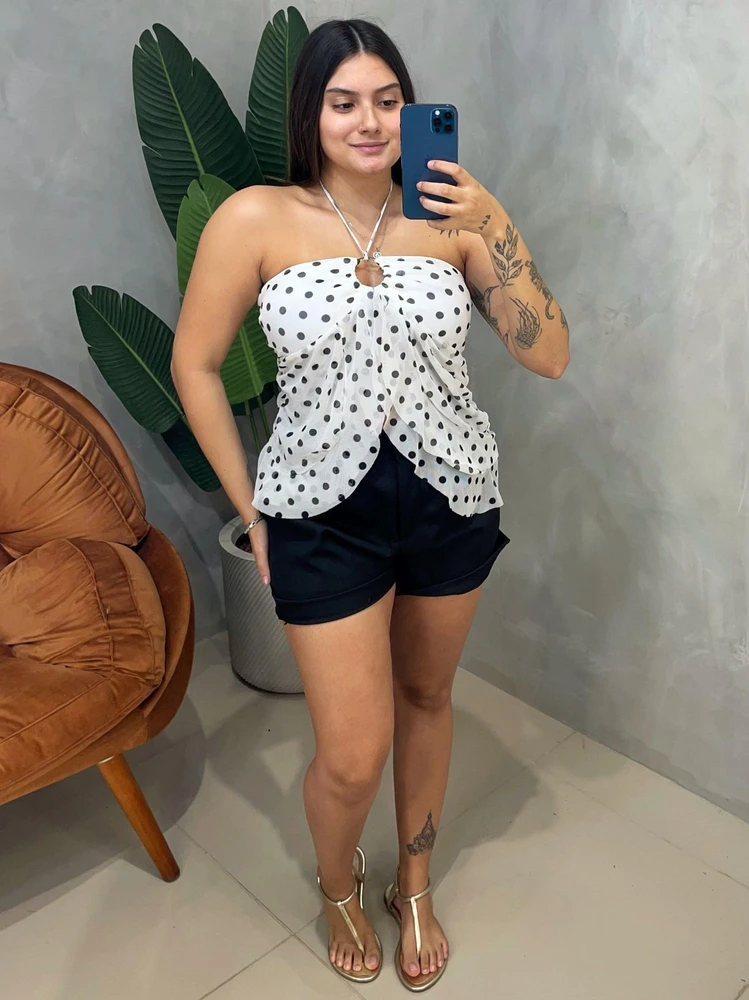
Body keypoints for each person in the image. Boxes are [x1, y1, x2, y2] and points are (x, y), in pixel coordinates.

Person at [171, 16, 569, 993]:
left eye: (388, 100)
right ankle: (339, 881)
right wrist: (252, 510)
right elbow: (195, 363)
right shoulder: (256, 218)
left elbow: (549, 353)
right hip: (319, 512)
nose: (369, 121)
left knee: (427, 698)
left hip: (450, 498)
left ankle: (414, 882)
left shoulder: (452, 218)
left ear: (409, 108)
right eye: (343, 102)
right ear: (310, 113)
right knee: (351, 755)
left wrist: (495, 219)